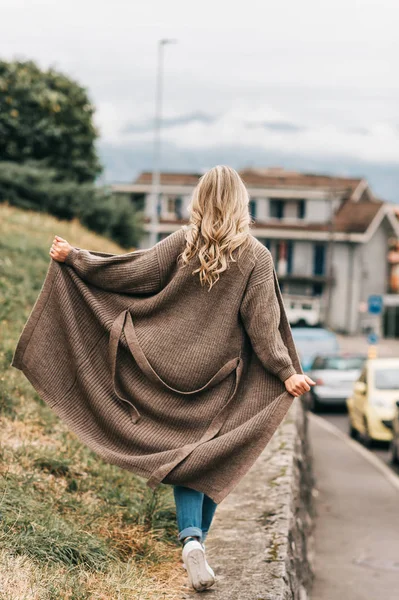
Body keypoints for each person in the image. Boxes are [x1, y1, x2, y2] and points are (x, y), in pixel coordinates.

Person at [46, 166, 315, 592]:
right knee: (205, 459)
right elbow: (264, 329)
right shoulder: (256, 258)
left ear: (200, 201)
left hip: (162, 365)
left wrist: (76, 258)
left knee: (186, 457)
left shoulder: (180, 244)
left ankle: (194, 547)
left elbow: (128, 273)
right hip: (216, 378)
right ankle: (195, 543)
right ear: (242, 204)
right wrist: (287, 373)